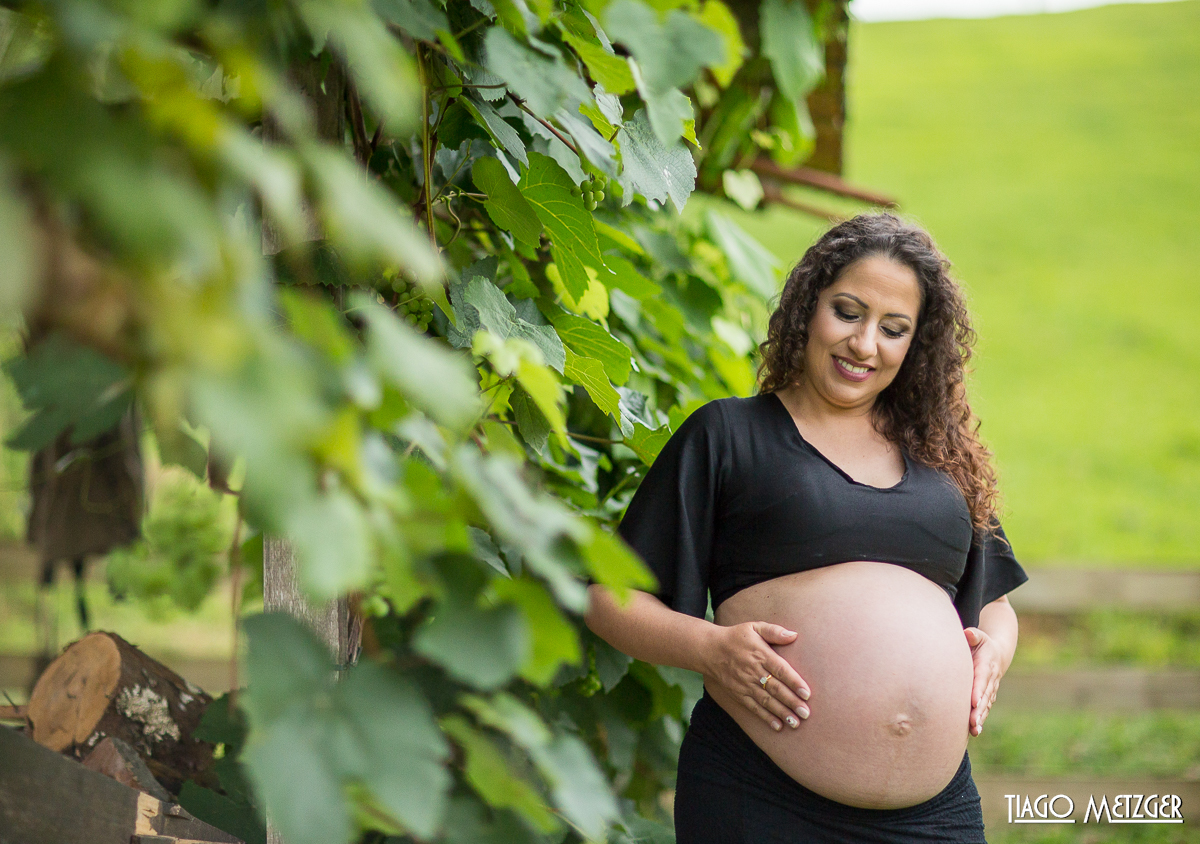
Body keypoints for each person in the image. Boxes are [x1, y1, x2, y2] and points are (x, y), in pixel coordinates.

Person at [585, 213, 1027, 843]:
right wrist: (710, 647)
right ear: (808, 307)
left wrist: (995, 656)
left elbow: (996, 608)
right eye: (847, 312)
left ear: (916, 344)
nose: (865, 344)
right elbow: (608, 598)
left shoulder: (944, 460)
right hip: (761, 795)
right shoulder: (729, 436)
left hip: (935, 814)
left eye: (893, 329)